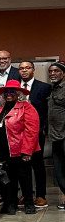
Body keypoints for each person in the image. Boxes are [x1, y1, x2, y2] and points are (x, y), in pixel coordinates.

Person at [0, 80, 39, 215]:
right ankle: (11, 203)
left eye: (12, 91)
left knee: (25, 178)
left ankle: (29, 203)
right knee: (9, 179)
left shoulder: (26, 107)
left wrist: (27, 151)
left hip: (20, 151)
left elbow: (32, 131)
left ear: (18, 93)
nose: (9, 94)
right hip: (3, 151)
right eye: (6, 92)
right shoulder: (0, 108)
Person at [18, 61, 51, 208]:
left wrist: (44, 128)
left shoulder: (44, 87)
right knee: (22, 165)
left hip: (37, 132)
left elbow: (48, 111)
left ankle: (41, 195)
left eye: (27, 68)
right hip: (19, 133)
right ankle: (26, 194)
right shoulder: (15, 87)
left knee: (37, 164)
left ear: (33, 69)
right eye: (21, 68)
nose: (24, 71)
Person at [47, 62, 65, 210]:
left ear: (63, 73)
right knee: (59, 170)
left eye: (56, 71)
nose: (52, 73)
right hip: (55, 136)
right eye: (50, 71)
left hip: (64, 134)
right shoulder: (52, 90)